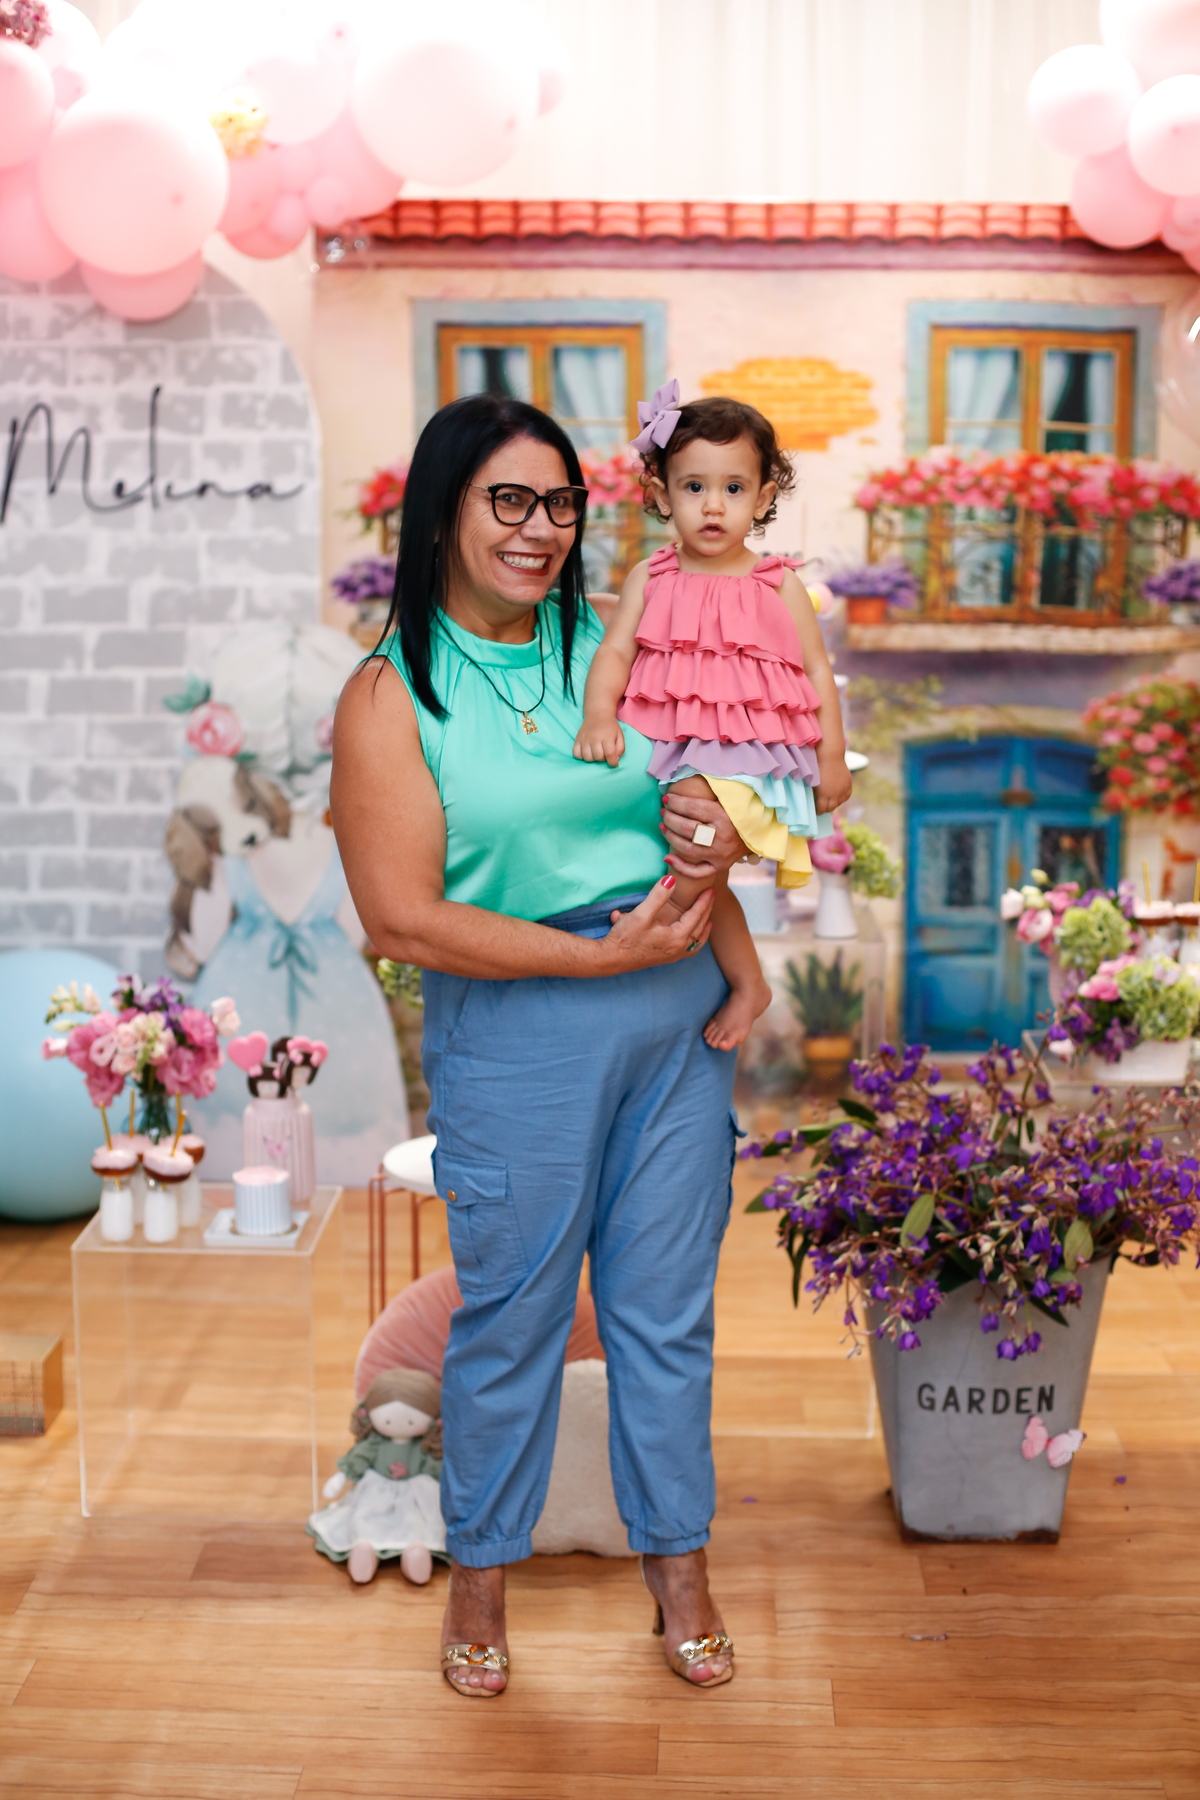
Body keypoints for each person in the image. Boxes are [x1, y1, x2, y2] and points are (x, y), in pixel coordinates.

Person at [331, 393, 757, 1698]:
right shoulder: (391, 693)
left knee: (665, 1316)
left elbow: (696, 805)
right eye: (507, 499)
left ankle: (679, 1570)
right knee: (513, 1319)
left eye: (560, 502)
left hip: (677, 1023)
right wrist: (595, 960)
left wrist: (730, 897)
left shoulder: (616, 644)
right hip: (518, 1028)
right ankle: (481, 1577)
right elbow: (400, 917)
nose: (539, 528)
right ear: (442, 512)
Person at [575, 385, 852, 1050]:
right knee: (699, 869)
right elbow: (616, 651)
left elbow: (817, 671)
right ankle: (746, 983)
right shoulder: (652, 576)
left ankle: (650, 957)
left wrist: (833, 757)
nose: (712, 505)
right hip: (673, 743)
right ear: (663, 493)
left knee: (693, 851)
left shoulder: (777, 582)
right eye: (694, 486)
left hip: (749, 749)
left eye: (733, 489)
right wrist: (597, 717)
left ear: (762, 498)